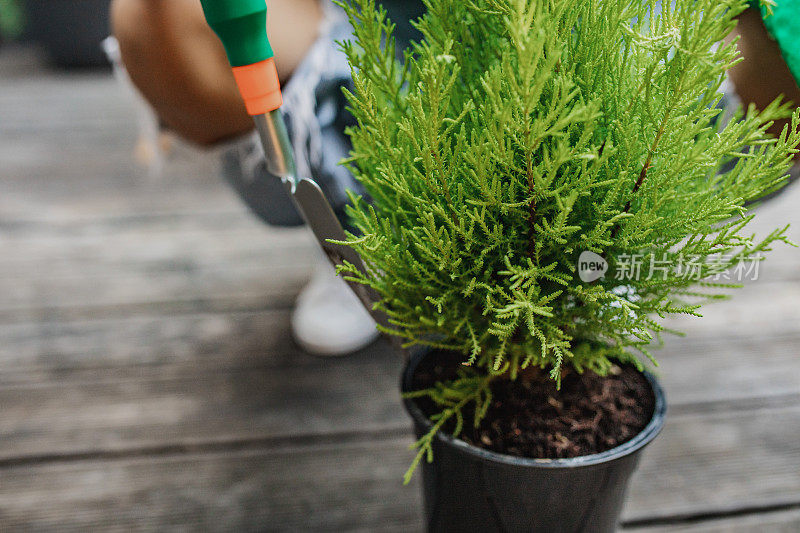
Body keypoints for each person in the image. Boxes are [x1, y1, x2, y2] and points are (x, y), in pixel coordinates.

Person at [110, 0, 799, 356]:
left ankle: (603, 243)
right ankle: (367, 230)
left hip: (622, 50)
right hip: (384, 48)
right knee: (158, 16)